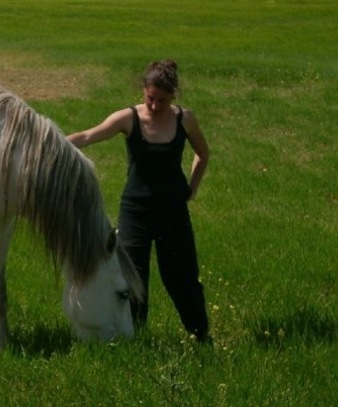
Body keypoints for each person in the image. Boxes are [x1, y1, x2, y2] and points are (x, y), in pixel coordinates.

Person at [67, 60, 212, 343]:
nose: (155, 106)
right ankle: (135, 339)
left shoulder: (185, 119)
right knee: (133, 279)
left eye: (162, 100)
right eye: (150, 99)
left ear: (174, 96)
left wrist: (192, 189)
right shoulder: (128, 118)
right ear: (143, 92)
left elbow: (203, 153)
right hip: (136, 212)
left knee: (181, 278)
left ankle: (201, 335)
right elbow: (89, 135)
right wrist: (54, 142)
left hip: (173, 212)